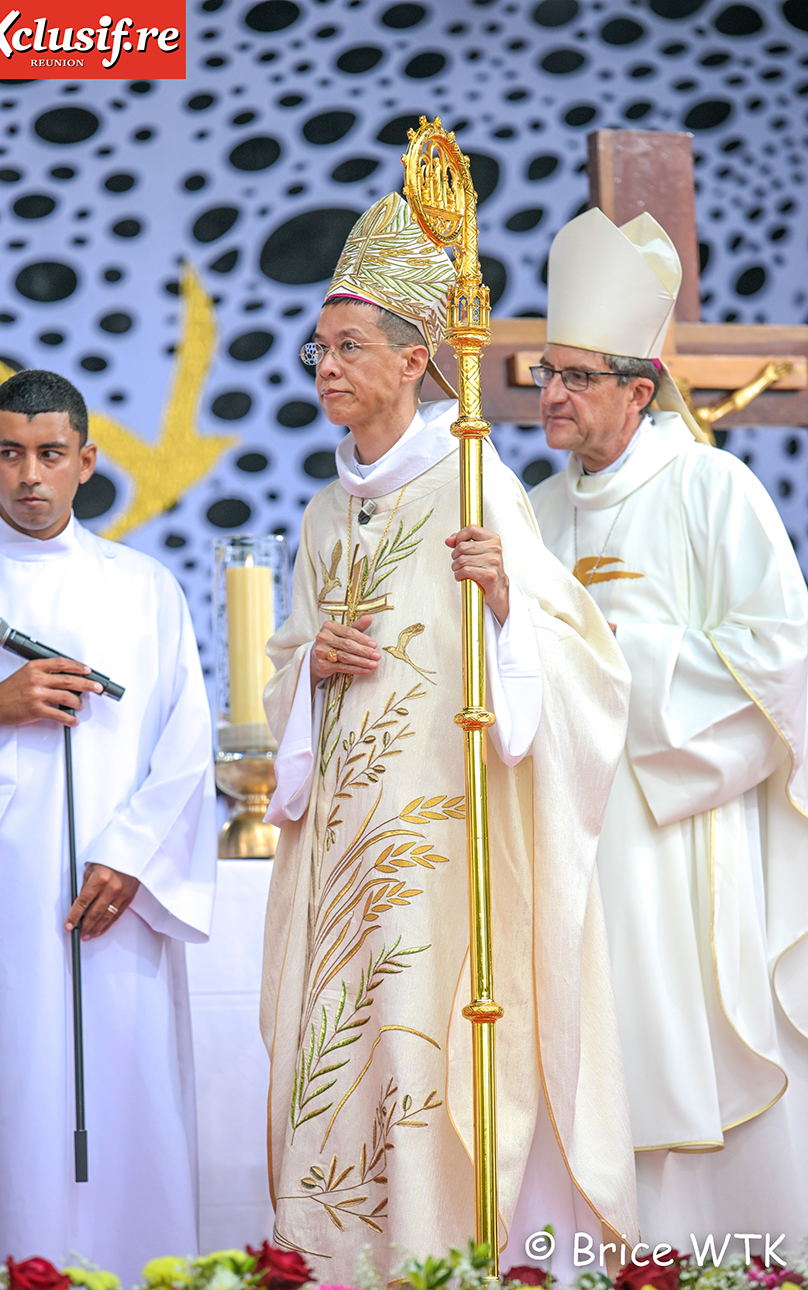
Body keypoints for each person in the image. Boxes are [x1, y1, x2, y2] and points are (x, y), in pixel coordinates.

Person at [258, 191, 637, 1281]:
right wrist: (312, 666)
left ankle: (443, 1256)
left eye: (347, 346)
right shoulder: (328, 514)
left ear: (417, 358)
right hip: (341, 857)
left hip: (442, 854)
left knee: (428, 1053)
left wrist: (512, 597)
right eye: (315, 347)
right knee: (338, 1059)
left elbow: (581, 664)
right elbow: (285, 666)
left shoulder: (476, 481)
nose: (323, 366)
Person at [529, 207, 808, 1246]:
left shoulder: (710, 488)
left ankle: (727, 1260)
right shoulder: (535, 514)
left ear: (635, 391)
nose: (548, 396)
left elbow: (779, 654)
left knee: (681, 1044)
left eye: (573, 377)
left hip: (677, 832)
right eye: (544, 376)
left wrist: (606, 653)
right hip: (567, 837)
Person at [0, 370, 217, 1284]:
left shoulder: (142, 588)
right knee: (0, 1104)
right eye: (11, 453)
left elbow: (187, 743)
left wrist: (131, 858)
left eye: (50, 454)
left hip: (114, 911)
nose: (30, 475)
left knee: (125, 1102)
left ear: (87, 462)